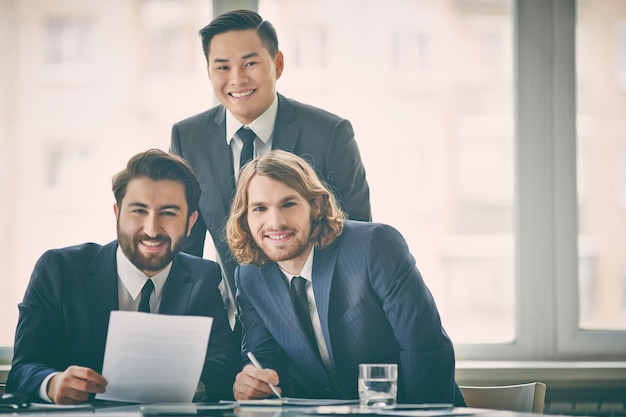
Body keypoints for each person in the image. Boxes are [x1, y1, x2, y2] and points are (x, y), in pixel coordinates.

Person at [170, 9, 371, 327]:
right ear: (209, 72)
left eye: (250, 63)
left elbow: (357, 236)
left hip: (322, 320)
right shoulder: (187, 138)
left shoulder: (330, 133)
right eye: (222, 66)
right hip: (237, 326)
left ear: (277, 64)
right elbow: (184, 250)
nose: (237, 79)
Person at [226, 150, 465, 405]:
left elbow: (425, 348)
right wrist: (254, 382)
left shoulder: (374, 246)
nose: (275, 222)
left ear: (316, 205)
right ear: (246, 218)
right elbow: (264, 358)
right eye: (260, 208)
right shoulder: (250, 276)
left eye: (288, 204)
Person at [6, 149, 239, 404]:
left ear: (191, 222)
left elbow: (223, 364)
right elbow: (23, 369)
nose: (151, 229)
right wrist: (52, 383)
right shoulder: (59, 269)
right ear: (117, 214)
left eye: (169, 213)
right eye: (139, 211)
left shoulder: (203, 276)